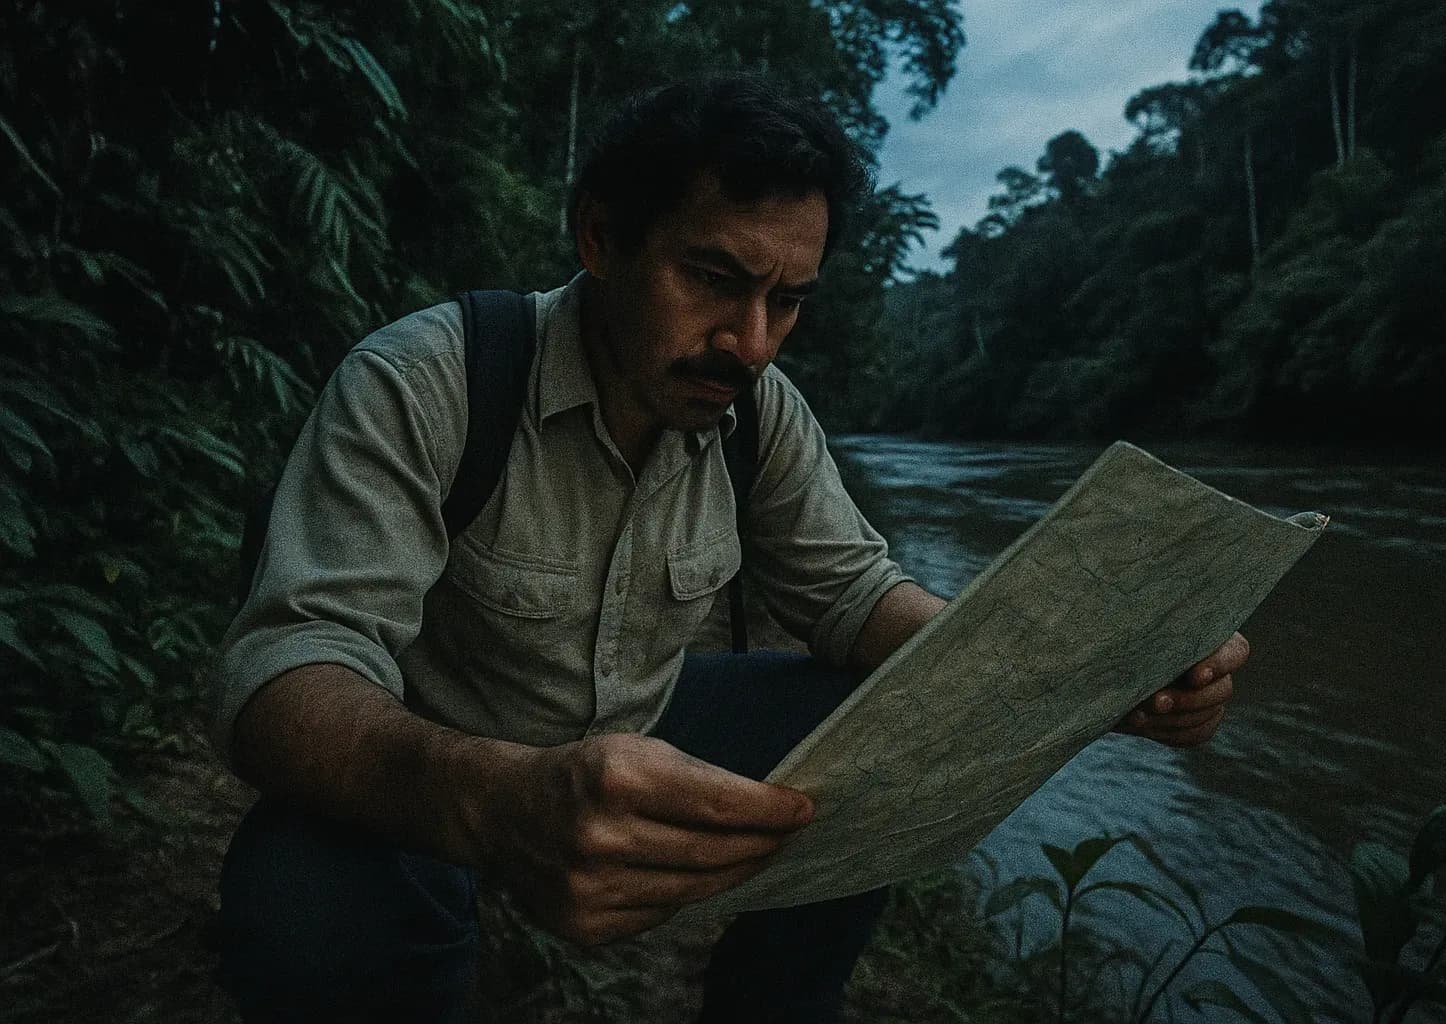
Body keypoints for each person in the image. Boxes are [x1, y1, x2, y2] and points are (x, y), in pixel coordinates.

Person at [209, 73, 1247, 1023]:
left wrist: (1092, 667)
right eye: (712, 275)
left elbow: (855, 595)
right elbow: (288, 675)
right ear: (601, 238)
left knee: (868, 725)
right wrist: (500, 799)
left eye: (787, 300)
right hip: (438, 771)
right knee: (298, 883)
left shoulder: (760, 412)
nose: (750, 341)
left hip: (652, 721)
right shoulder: (425, 381)